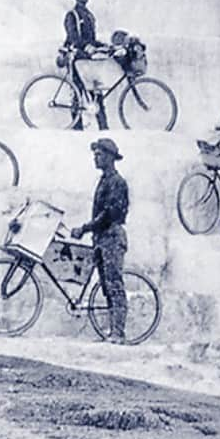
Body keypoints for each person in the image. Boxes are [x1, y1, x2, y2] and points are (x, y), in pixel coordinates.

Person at [71, 139, 129, 343]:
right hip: (101, 238)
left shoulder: (117, 182)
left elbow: (109, 215)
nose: (96, 157)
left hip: (112, 237)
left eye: (100, 154)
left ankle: (118, 333)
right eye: (95, 154)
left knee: (114, 284)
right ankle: (112, 330)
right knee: (105, 285)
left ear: (111, 157)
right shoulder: (104, 180)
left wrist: (85, 228)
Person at [63, 0, 108, 129]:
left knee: (97, 94)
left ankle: (104, 128)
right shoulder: (72, 15)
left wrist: (102, 45)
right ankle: (77, 129)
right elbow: (73, 38)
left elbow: (91, 39)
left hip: (88, 61)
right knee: (78, 94)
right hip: (78, 59)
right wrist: (86, 46)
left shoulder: (88, 15)